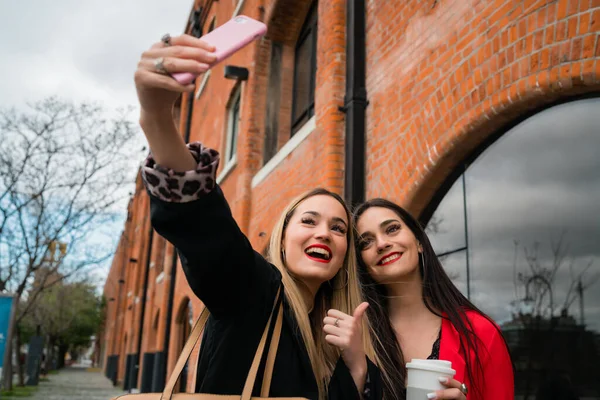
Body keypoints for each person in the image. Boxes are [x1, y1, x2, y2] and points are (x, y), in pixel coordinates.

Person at [134, 33, 376, 400]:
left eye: (338, 228)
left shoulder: (329, 333)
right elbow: (205, 228)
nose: (324, 233)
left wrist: (356, 365)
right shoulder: (254, 291)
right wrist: (156, 118)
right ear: (280, 237)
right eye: (309, 221)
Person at [350, 198, 514, 400]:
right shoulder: (357, 339)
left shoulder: (480, 333)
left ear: (419, 242)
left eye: (392, 229)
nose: (382, 244)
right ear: (362, 263)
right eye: (366, 242)